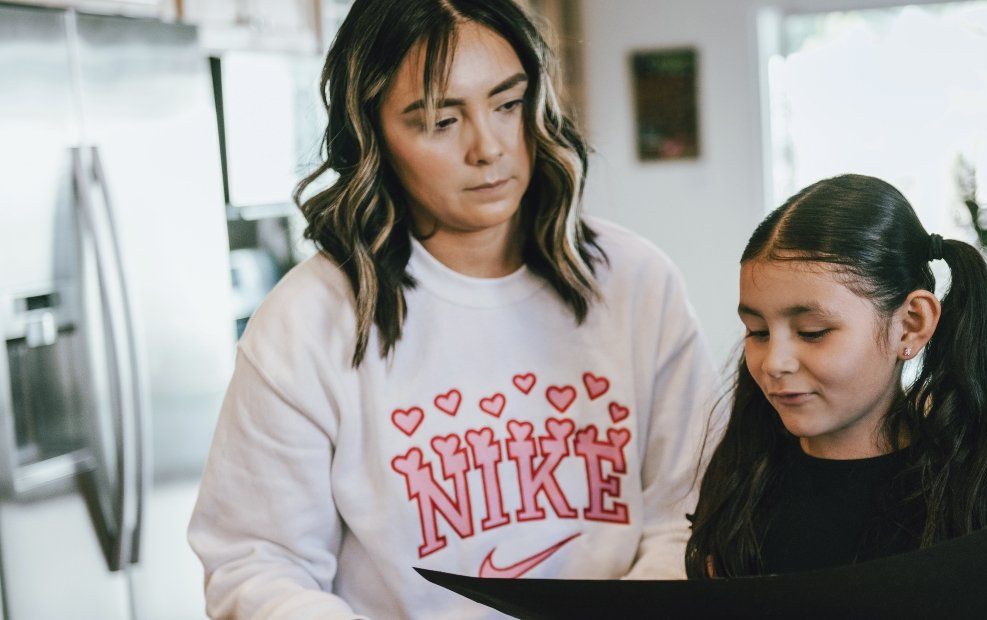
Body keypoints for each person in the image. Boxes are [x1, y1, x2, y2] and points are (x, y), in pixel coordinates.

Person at [187, 1, 717, 617]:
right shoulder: (307, 323)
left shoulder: (635, 282)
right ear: (372, 135)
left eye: (507, 104)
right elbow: (257, 564)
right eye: (441, 121)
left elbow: (690, 515)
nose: (488, 147)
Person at [685, 174, 987, 617]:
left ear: (911, 324)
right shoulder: (741, 485)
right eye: (758, 332)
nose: (774, 362)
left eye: (813, 332)